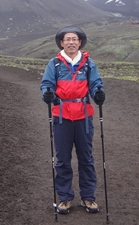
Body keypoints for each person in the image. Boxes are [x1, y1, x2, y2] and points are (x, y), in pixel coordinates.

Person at [41, 26, 105, 214]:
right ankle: (65, 197)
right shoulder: (54, 64)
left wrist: (98, 93)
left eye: (74, 39)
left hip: (84, 117)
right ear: (62, 43)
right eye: (67, 39)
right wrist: (47, 94)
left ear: (80, 42)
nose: (71, 42)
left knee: (86, 158)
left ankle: (88, 197)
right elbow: (46, 84)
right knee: (62, 159)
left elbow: (95, 83)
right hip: (62, 117)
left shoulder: (88, 64)